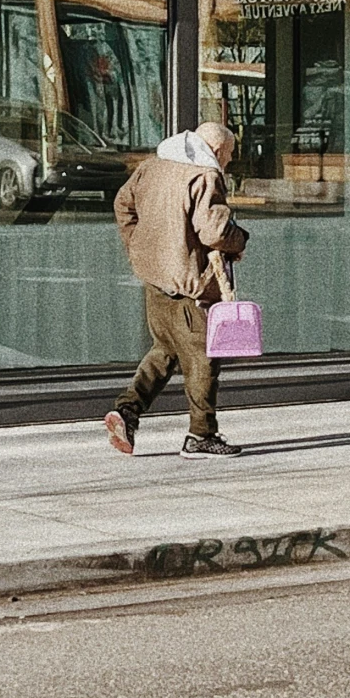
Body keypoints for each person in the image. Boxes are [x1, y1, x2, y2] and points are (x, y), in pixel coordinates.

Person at [106, 119, 248, 458]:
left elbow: (122, 205)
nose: (227, 162)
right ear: (216, 149)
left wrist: (137, 247)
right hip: (190, 286)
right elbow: (214, 232)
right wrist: (240, 239)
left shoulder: (152, 166)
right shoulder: (204, 175)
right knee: (204, 359)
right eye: (228, 154)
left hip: (156, 280)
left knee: (165, 351)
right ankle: (201, 435)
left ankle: (127, 411)